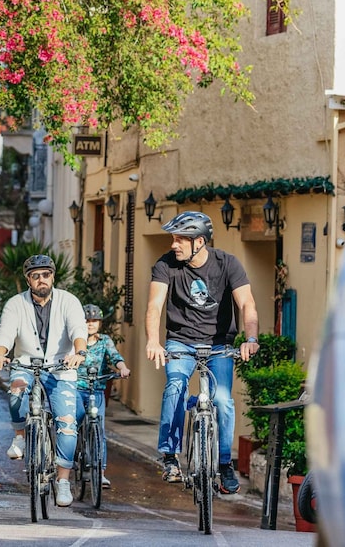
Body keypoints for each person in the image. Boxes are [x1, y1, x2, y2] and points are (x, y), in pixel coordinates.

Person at [145, 211, 260, 494]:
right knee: (175, 386)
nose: (174, 245)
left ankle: (223, 464)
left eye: (181, 239)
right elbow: (155, 306)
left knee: (222, 399)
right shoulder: (166, 265)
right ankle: (170, 457)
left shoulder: (228, 263)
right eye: (173, 238)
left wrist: (251, 338)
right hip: (180, 342)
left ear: (200, 242)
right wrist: (153, 340)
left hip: (219, 344)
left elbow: (247, 304)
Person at [0, 255, 87, 507]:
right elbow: (5, 333)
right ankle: (20, 435)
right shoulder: (15, 304)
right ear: (28, 279)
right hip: (26, 364)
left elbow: (78, 330)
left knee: (66, 423)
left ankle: (63, 480)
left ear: (52, 276)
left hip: (60, 368)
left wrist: (79, 353)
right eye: (35, 275)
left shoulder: (69, 301)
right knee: (16, 391)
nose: (41, 279)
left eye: (45, 274)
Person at [75, 304, 131, 489]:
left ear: (99, 323)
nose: (90, 324)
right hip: (77, 388)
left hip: (97, 390)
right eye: (87, 320)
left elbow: (115, 357)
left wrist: (122, 368)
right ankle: (73, 458)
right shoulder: (76, 339)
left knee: (99, 428)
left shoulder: (105, 340)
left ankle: (101, 473)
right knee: (73, 423)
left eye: (94, 320)